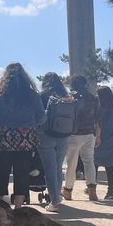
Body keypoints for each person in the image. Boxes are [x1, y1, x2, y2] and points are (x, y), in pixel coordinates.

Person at [0, 63, 44, 209]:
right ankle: (18, 206)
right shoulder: (32, 94)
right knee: (22, 170)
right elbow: (41, 116)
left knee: (2, 168)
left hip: (3, 136)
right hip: (25, 137)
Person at [37, 72, 73, 212]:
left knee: (50, 169)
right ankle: (57, 196)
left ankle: (54, 201)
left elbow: (39, 116)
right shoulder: (66, 96)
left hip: (46, 135)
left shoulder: (42, 96)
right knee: (58, 168)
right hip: (64, 135)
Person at [62, 75, 100, 202]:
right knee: (89, 162)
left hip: (74, 134)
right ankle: (92, 191)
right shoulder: (93, 98)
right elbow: (97, 118)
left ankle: (68, 190)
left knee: (71, 163)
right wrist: (97, 134)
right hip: (90, 133)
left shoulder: (71, 98)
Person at [94, 87, 113, 200]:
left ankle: (93, 188)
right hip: (109, 140)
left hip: (100, 140)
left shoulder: (101, 109)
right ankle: (110, 192)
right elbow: (110, 126)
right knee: (109, 167)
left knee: (95, 165)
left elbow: (104, 125)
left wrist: (97, 130)